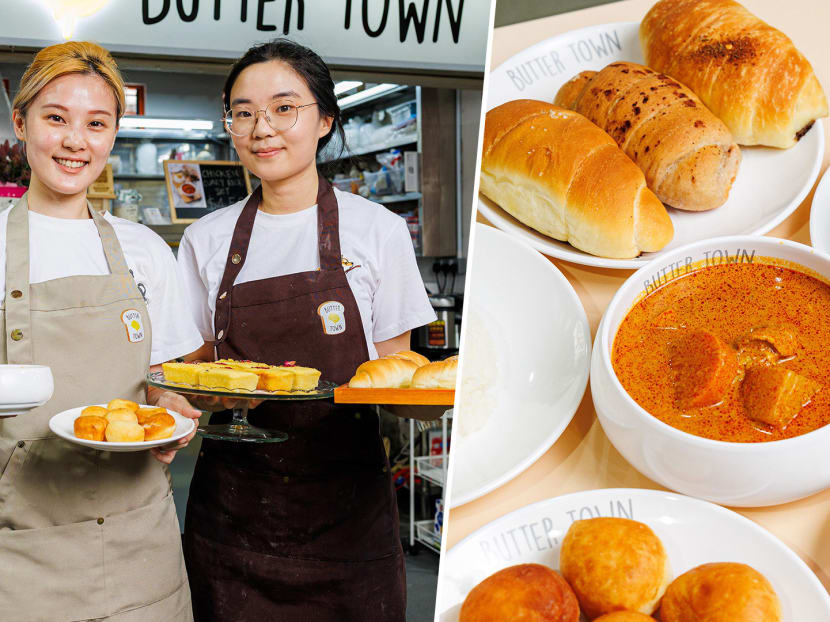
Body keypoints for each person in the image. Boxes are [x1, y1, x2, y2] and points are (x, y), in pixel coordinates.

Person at [176, 39, 437, 621]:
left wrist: (440, 402)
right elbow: (191, 368)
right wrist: (190, 398)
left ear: (324, 120)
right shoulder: (207, 239)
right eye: (243, 112)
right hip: (233, 518)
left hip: (347, 516)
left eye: (283, 108)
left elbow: (397, 380)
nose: (261, 128)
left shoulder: (379, 231)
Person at [0, 41, 204, 620]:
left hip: (141, 540)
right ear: (21, 122)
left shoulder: (143, 250)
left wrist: (171, 407)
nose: (75, 141)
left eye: (96, 124)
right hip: (20, 549)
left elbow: (163, 378)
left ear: (113, 134)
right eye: (55, 118)